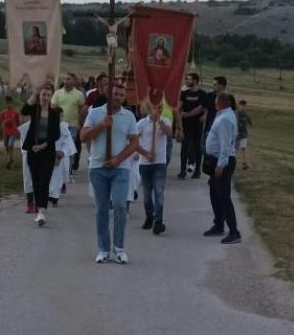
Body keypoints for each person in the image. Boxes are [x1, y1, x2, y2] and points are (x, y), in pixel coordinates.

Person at [81, 83, 139, 265]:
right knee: (102, 209)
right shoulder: (96, 112)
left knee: (121, 206)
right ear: (108, 94)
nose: (118, 97)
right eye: (115, 93)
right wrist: (100, 126)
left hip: (120, 168)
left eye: (121, 94)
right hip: (98, 167)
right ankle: (104, 249)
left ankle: (119, 247)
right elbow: (83, 137)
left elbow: (134, 142)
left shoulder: (128, 116)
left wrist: (119, 159)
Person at [21, 85, 61, 226]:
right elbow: (24, 110)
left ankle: (42, 210)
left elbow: (56, 134)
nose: (45, 97)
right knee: (36, 181)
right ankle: (39, 209)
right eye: (43, 94)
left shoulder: (55, 114)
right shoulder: (35, 109)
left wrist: (43, 145)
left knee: (45, 181)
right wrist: (34, 94)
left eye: (48, 95)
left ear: (51, 97)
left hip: (47, 150)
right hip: (33, 150)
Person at [203, 92, 241, 244]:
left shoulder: (225, 118)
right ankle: (218, 224)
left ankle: (234, 232)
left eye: (216, 101)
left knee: (223, 196)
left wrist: (221, 164)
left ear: (223, 102)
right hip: (216, 159)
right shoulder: (224, 115)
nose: (214, 103)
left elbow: (226, 145)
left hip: (222, 161)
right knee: (215, 193)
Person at [136, 103, 172, 235]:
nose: (159, 110)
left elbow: (169, 133)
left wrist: (160, 121)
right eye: (156, 107)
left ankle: (158, 220)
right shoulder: (141, 123)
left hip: (160, 163)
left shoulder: (165, 121)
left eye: (161, 108)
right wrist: (145, 154)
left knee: (159, 191)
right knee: (146, 194)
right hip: (145, 163)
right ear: (150, 108)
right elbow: (133, 141)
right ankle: (149, 216)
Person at [51, 73, 86, 173]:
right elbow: (53, 107)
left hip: (73, 126)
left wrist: (80, 123)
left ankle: (68, 170)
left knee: (70, 148)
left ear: (74, 81)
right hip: (59, 125)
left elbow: (82, 110)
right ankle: (58, 168)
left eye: (69, 79)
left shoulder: (79, 94)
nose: (66, 81)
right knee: (58, 147)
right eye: (65, 79)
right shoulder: (57, 93)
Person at [179, 72, 206, 179]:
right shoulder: (184, 93)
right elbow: (179, 106)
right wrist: (180, 114)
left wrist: (188, 114)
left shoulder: (202, 94)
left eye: (189, 79)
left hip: (197, 124)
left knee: (197, 147)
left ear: (195, 81)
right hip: (186, 125)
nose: (187, 81)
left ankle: (197, 170)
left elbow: (203, 108)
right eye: (186, 79)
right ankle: (182, 170)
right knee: (184, 147)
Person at [0, 96, 20, 169]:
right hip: (5, 132)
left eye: (10, 103)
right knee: (6, 145)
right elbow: (0, 122)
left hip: (13, 132)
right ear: (5, 103)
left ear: (12, 103)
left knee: (10, 145)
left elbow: (17, 122)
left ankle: (10, 159)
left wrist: (18, 130)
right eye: (7, 103)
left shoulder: (15, 112)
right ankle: (9, 157)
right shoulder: (3, 112)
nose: (9, 104)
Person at [236, 99, 252, 170]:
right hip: (236, 134)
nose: (242, 107)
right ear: (238, 106)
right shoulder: (236, 114)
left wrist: (251, 124)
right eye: (241, 106)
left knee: (243, 148)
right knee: (234, 149)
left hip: (244, 134)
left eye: (244, 106)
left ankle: (244, 163)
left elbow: (249, 121)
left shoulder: (246, 115)